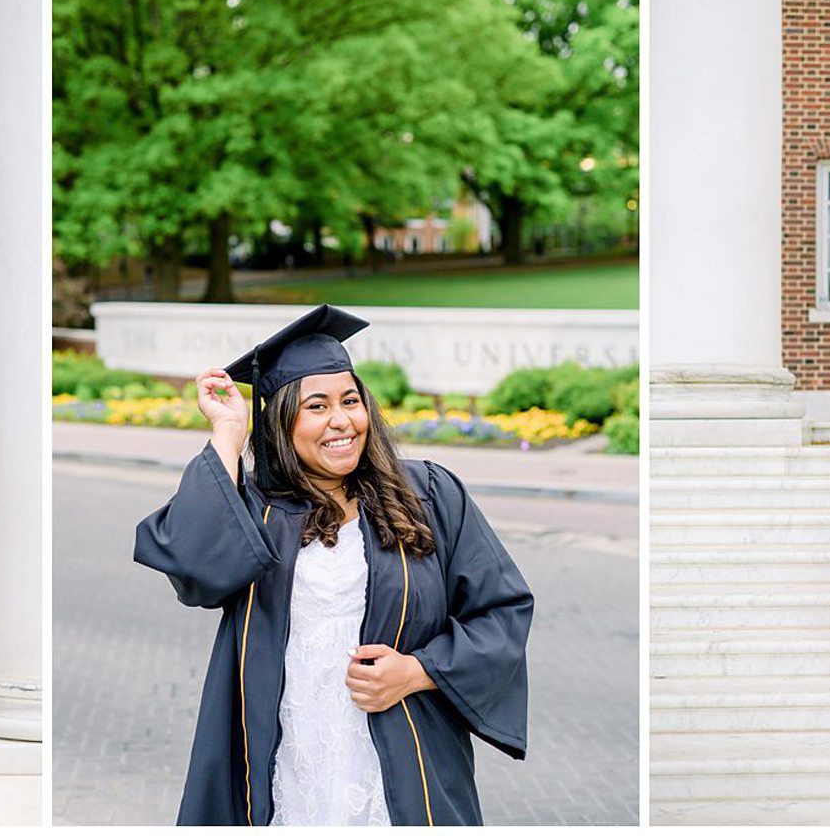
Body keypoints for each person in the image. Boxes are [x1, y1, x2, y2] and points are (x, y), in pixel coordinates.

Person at [135, 305, 534, 825]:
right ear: (281, 422)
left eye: (350, 400)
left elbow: (502, 610)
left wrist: (418, 671)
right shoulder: (255, 508)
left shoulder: (428, 495)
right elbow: (191, 567)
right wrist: (228, 436)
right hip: (290, 756)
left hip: (401, 755)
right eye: (316, 406)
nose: (341, 420)